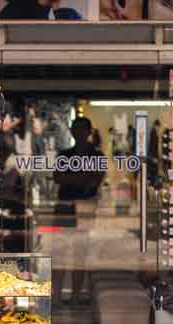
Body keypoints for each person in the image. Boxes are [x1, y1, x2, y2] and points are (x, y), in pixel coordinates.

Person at [53, 117, 105, 304]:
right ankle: (57, 296)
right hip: (65, 208)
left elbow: (95, 180)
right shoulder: (65, 155)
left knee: (79, 253)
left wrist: (73, 178)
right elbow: (58, 177)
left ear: (89, 132)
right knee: (59, 252)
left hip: (84, 209)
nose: (78, 133)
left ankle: (75, 296)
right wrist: (81, 178)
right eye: (75, 129)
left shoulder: (97, 156)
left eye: (82, 129)